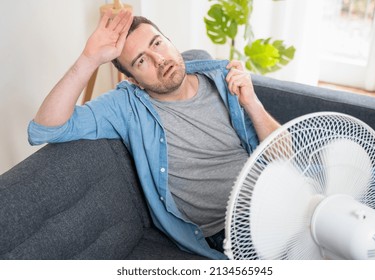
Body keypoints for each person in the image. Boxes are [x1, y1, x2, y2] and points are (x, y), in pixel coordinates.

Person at [28, 10, 280, 259]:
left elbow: (286, 153)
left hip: (277, 192)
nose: (159, 59)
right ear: (134, 80)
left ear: (169, 40)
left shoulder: (221, 77)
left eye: (157, 43)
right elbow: (45, 128)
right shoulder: (126, 106)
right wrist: (89, 58)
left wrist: (253, 104)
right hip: (233, 228)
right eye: (141, 61)